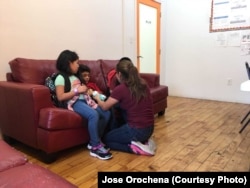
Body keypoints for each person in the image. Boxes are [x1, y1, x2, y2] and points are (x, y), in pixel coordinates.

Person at [54, 49, 112, 160]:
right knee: (93, 115)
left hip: (86, 100)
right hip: (74, 102)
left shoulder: (75, 76)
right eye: (76, 63)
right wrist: (77, 91)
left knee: (106, 113)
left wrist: (86, 90)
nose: (78, 65)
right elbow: (60, 97)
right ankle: (95, 147)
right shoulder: (61, 77)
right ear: (68, 63)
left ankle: (95, 140)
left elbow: (82, 90)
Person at [93, 57, 156, 156]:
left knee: (106, 140)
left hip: (136, 131)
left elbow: (105, 107)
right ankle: (143, 142)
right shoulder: (144, 84)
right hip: (149, 129)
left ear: (119, 74)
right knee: (119, 107)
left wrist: (97, 97)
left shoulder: (121, 89)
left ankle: (134, 148)